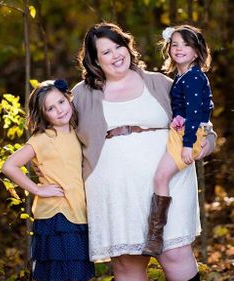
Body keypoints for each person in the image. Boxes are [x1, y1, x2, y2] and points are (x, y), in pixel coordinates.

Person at [71, 23, 215, 281]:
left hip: (169, 182)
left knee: (175, 254)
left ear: (128, 46)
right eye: (106, 52)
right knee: (128, 264)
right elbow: (62, 135)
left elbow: (199, 113)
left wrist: (208, 143)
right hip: (113, 189)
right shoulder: (82, 94)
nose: (116, 55)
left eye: (119, 46)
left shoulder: (160, 83)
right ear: (94, 60)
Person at [2, 80, 95, 281]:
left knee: (77, 274)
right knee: (60, 274)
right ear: (43, 114)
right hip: (57, 216)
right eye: (50, 108)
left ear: (68, 99)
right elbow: (9, 166)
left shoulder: (76, 131)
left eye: (61, 102)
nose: (59, 110)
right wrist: (38, 189)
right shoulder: (42, 139)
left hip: (78, 212)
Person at [142, 25, 214, 257]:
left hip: (188, 136)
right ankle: (157, 235)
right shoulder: (181, 76)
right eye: (175, 44)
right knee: (159, 176)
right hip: (181, 133)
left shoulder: (193, 77)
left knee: (161, 176)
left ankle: (155, 238)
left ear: (197, 51)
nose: (179, 49)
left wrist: (187, 144)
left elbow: (195, 114)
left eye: (186, 44)